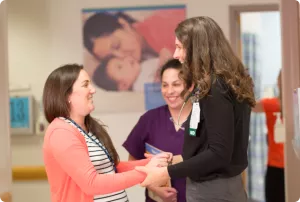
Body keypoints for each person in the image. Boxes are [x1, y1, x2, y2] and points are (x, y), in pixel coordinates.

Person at [134, 16, 256, 202]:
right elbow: (209, 143)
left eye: (180, 47)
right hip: (221, 188)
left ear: (198, 49)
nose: (176, 54)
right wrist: (173, 160)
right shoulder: (218, 84)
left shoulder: (216, 87)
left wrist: (167, 172)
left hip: (214, 192)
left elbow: (218, 153)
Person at [42, 64, 172, 202]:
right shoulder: (61, 132)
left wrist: (152, 162)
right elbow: (91, 184)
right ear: (67, 94)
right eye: (86, 85)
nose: (93, 90)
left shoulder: (87, 127)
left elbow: (111, 168)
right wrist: (146, 173)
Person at [122, 59, 193, 202]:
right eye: (165, 85)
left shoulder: (203, 120)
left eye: (176, 84)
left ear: (190, 86)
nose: (169, 91)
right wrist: (153, 186)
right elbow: (132, 163)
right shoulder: (149, 119)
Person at [252, 70, 285, 202]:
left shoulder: (272, 104)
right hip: (281, 166)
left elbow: (251, 106)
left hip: (277, 167)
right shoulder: (272, 104)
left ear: (278, 82)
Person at [92, 56, 160, 91]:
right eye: (120, 67)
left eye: (121, 59)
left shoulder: (141, 66)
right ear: (124, 85)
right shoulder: (140, 86)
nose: (126, 61)